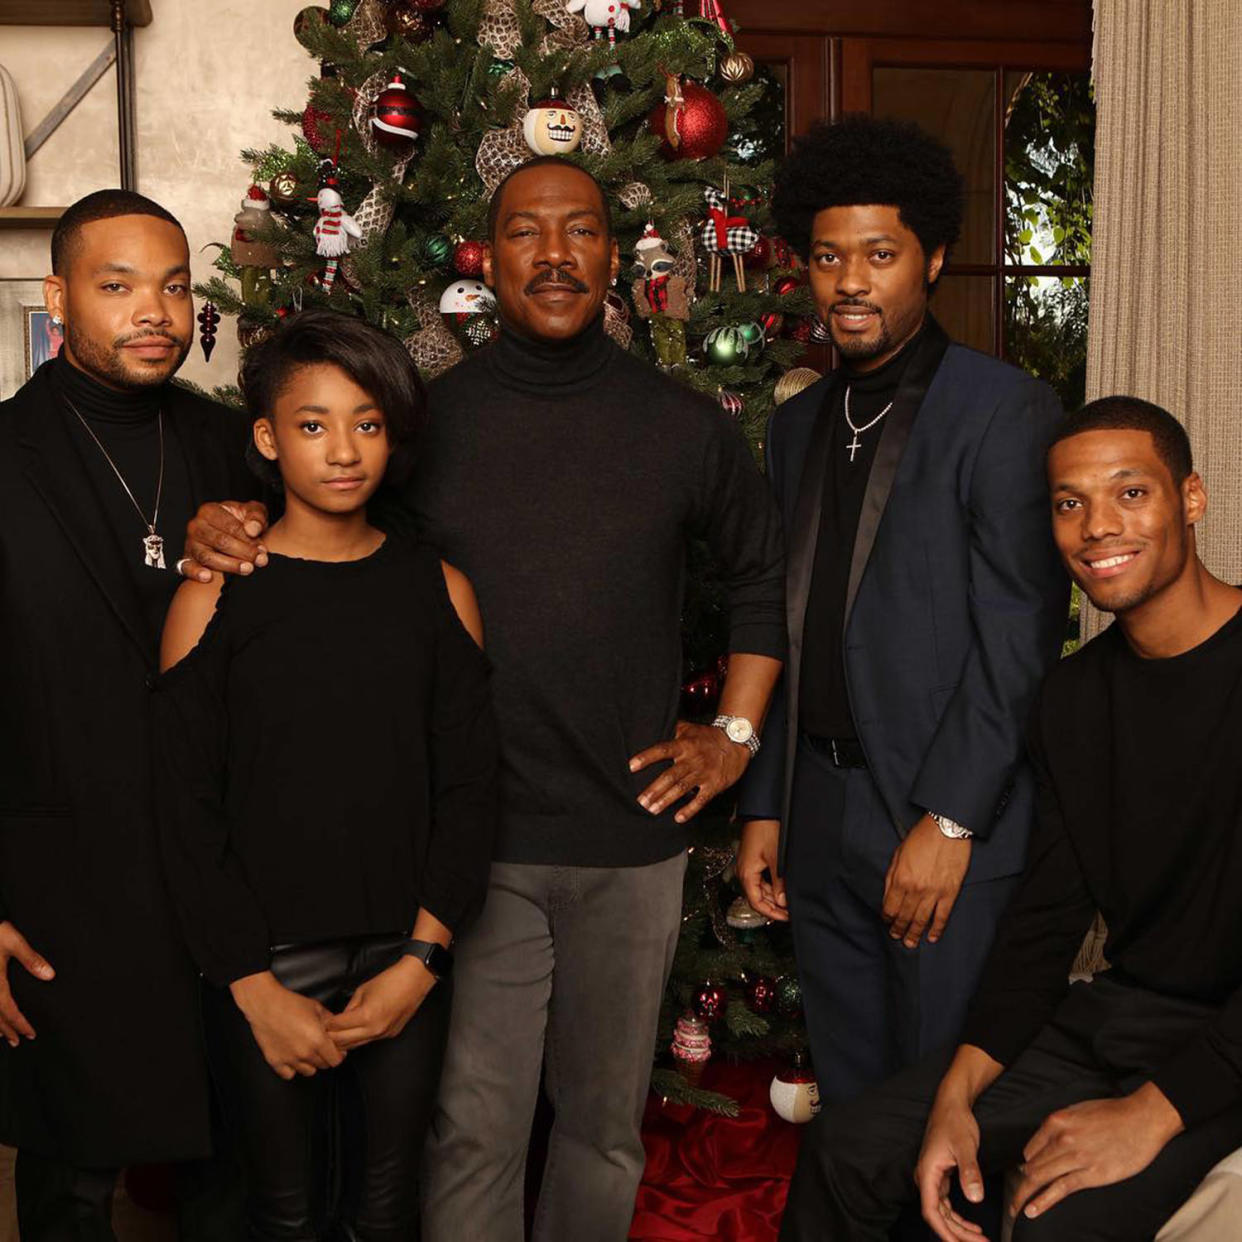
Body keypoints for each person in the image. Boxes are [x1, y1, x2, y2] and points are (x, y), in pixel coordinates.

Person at [180, 154, 786, 1242]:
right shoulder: (426, 425)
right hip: (474, 848)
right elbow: (334, 533)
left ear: (616, 254)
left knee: (603, 1130)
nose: (554, 256)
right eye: (524, 232)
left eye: (581, 231)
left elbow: (759, 579)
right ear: (487, 255)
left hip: (632, 842)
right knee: (474, 1128)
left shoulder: (684, 428)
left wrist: (735, 734)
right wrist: (223, 530)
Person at [781, 397, 1242, 1242]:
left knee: (1051, 1217)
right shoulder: (1072, 699)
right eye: (1070, 503)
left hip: (1226, 1050)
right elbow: (1044, 925)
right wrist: (956, 1098)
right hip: (1123, 1018)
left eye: (1130, 493)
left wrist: (1153, 1113)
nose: (1097, 527)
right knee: (850, 1147)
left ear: (1193, 499)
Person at [736, 115, 1069, 1105]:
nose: (849, 282)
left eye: (879, 256)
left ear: (933, 260)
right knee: (855, 1096)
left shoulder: (1002, 411)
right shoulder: (797, 426)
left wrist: (951, 819)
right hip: (821, 813)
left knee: (938, 1106)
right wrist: (765, 807)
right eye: (829, 257)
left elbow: (1021, 637)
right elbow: (793, 626)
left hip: (938, 815)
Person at [155, 309, 498, 1240]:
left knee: (387, 1211)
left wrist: (422, 963)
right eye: (313, 424)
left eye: (368, 422)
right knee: (286, 1211)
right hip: (261, 962)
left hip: (402, 952)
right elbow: (184, 811)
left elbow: (470, 790)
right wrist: (252, 989)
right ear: (267, 438)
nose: (343, 450)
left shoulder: (439, 589)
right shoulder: (214, 593)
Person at [0, 189, 255, 1239]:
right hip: (61, 899)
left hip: (228, 897)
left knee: (236, 1191)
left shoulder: (244, 451)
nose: (157, 311)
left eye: (177, 286)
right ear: (58, 298)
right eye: (118, 287)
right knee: (70, 1197)